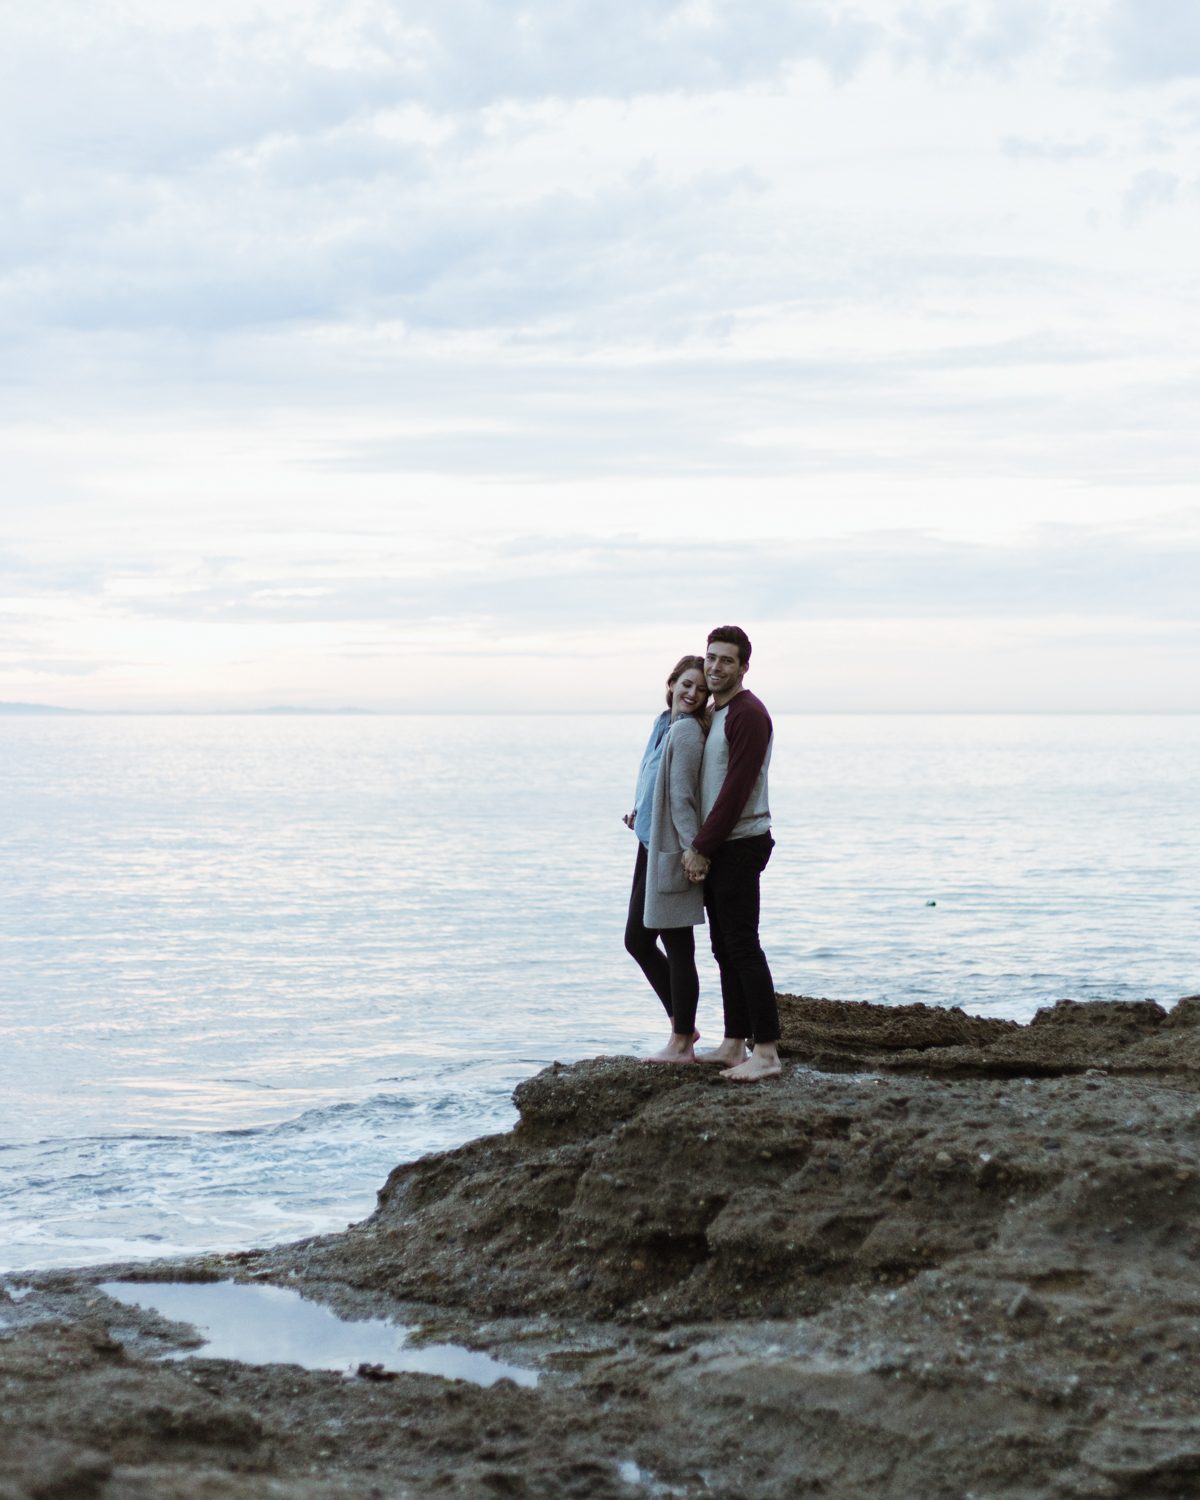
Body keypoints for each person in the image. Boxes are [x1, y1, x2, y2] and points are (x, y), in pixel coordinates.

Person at [681, 626, 780, 1081]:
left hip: (740, 843)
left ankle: (767, 1052)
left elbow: (737, 789)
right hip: (724, 843)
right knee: (724, 947)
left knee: (742, 946)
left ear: (743, 667)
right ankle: (733, 1043)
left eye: (726, 660)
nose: (715, 667)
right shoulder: (719, 712)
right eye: (710, 658)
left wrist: (702, 846)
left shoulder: (748, 713)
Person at [623, 655, 711, 1063]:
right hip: (650, 842)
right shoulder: (664, 724)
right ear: (671, 683)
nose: (692, 694)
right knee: (638, 940)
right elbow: (654, 780)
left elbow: (683, 797)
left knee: (677, 947)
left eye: (700, 689)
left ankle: (681, 1042)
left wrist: (694, 850)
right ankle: (683, 1028)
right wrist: (640, 813)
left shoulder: (688, 732)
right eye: (686, 684)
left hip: (674, 851)